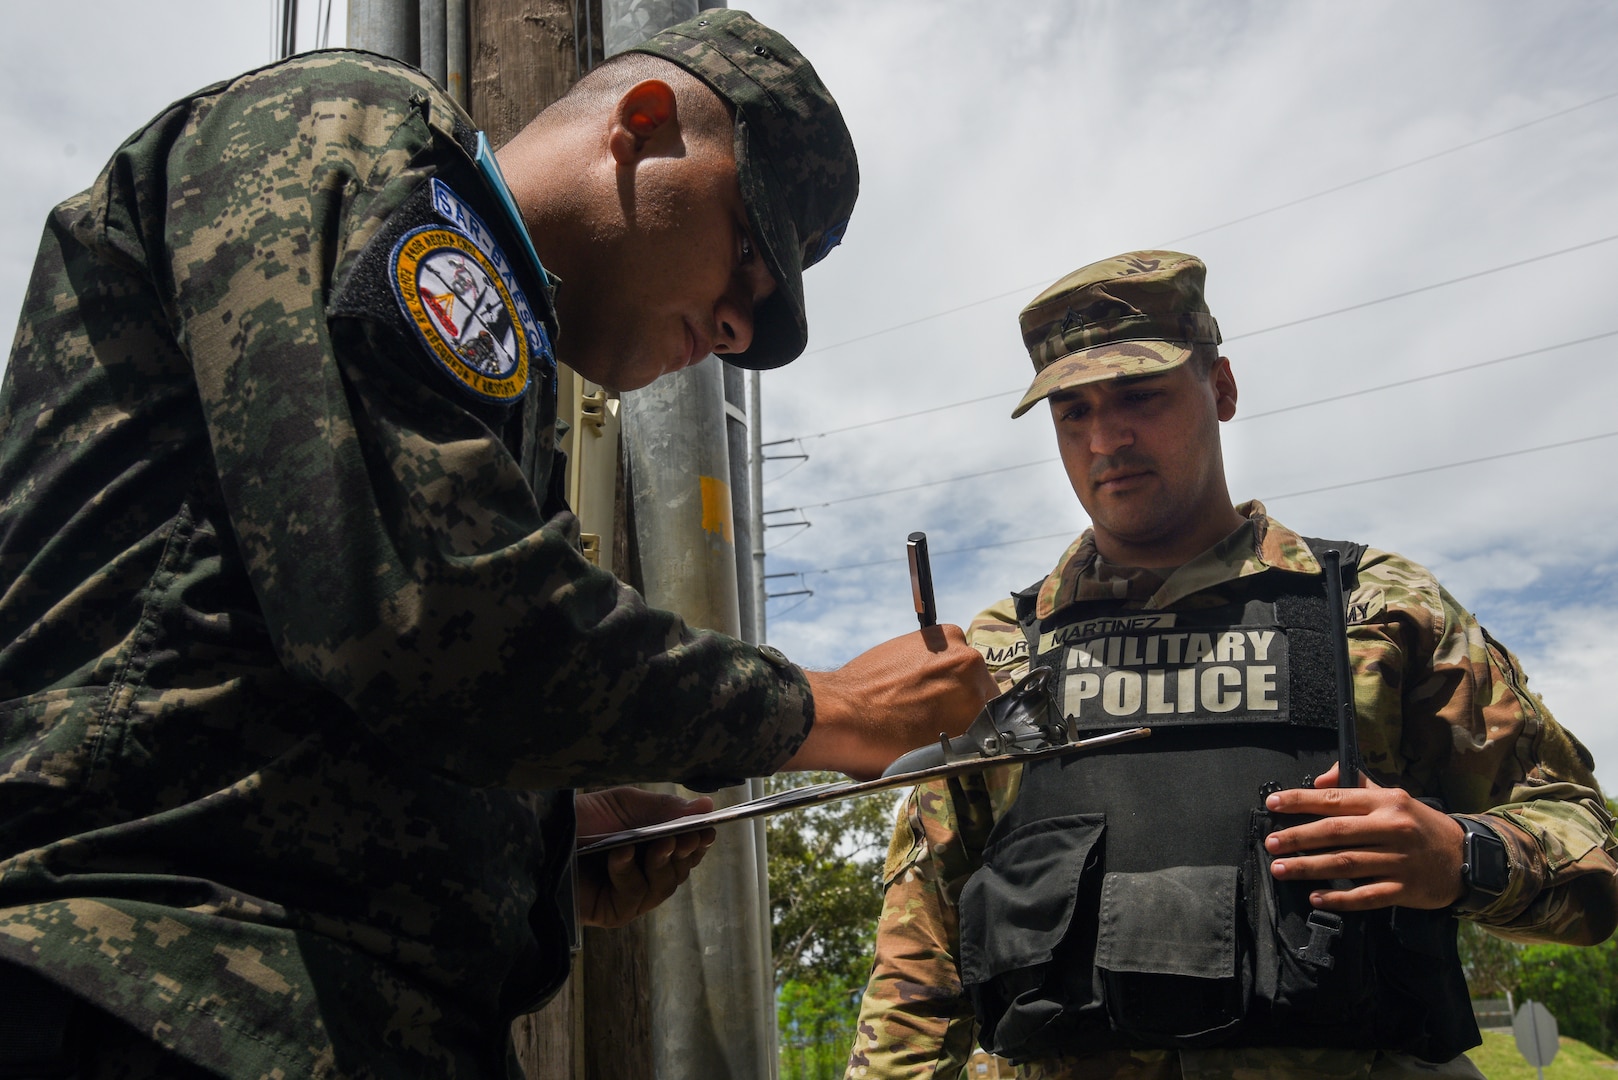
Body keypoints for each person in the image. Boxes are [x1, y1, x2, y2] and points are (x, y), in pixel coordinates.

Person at [0, 11, 998, 1079]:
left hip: (301, 1011)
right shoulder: (358, 131)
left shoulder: (502, 366)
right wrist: (835, 709)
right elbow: (423, 611)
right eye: (747, 254)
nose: (737, 331)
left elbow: (314, 662)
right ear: (643, 124)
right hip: (153, 989)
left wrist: (536, 837)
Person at [845, 250, 1618, 1080]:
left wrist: (1459, 858)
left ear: (1221, 390)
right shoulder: (997, 656)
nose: (1106, 438)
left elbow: (1591, 852)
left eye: (1140, 395)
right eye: (1073, 412)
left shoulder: (1377, 609)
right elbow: (917, 961)